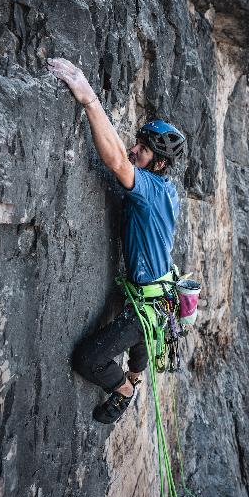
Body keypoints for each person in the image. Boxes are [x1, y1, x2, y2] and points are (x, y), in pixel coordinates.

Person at [47, 58, 186, 424]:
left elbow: (115, 162)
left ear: (158, 164)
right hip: (159, 296)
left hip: (149, 303)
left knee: (89, 360)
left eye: (143, 148)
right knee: (141, 332)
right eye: (136, 142)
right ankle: (137, 374)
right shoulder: (167, 190)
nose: (133, 149)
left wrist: (88, 98)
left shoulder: (150, 190)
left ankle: (124, 390)